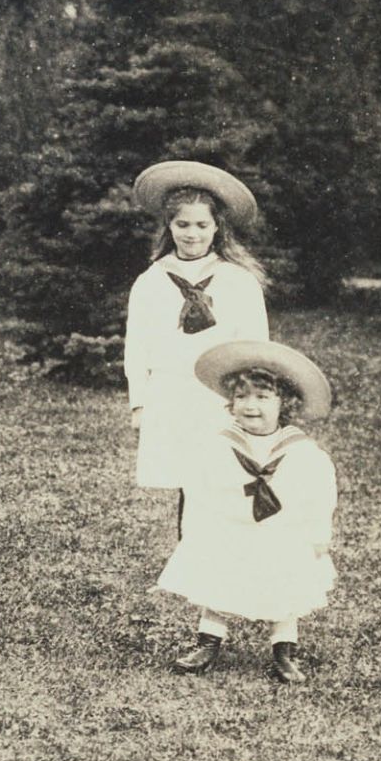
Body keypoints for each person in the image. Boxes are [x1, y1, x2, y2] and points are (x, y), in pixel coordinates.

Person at [155, 340, 338, 684]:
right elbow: (198, 488)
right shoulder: (218, 445)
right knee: (219, 579)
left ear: (285, 403)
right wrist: (198, 528)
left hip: (282, 533)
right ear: (230, 403)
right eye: (241, 397)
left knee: (287, 583)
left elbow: (319, 494)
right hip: (229, 528)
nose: (250, 406)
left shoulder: (302, 452)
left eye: (262, 397)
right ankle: (208, 640)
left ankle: (284, 649)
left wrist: (318, 535)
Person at [124, 161, 271, 532]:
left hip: (219, 396)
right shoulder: (151, 281)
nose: (192, 235)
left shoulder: (237, 282)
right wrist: (139, 402)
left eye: (202, 225)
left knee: (223, 479)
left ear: (217, 226)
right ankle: (191, 560)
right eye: (182, 225)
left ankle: (228, 562)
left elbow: (256, 345)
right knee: (188, 482)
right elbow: (137, 344)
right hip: (171, 394)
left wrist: (250, 400)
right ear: (169, 227)